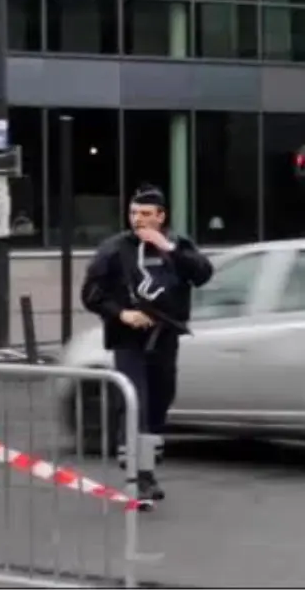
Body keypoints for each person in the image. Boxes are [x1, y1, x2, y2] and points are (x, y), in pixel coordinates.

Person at [80, 185, 214, 510]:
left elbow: (203, 274)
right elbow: (91, 293)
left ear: (161, 217)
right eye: (134, 213)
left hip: (165, 335)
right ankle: (137, 476)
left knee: (160, 399)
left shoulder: (177, 246)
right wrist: (122, 313)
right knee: (135, 400)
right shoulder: (114, 249)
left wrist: (168, 248)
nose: (138, 220)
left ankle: (147, 468)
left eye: (146, 214)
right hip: (128, 339)